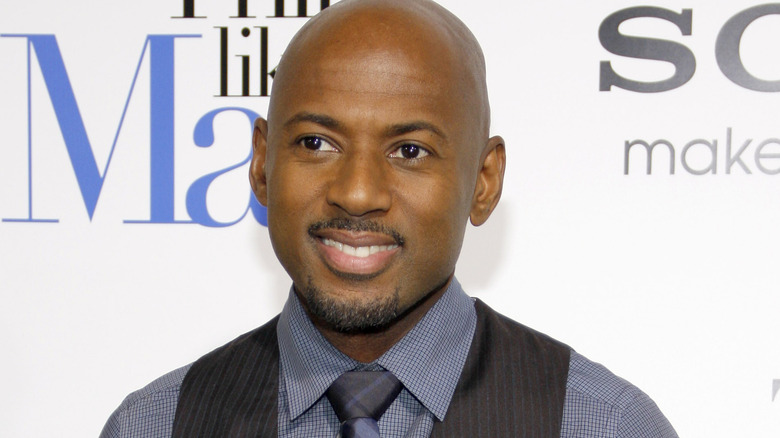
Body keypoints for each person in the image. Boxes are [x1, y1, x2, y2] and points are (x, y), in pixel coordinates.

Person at [101, 0, 678, 437]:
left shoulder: (600, 425)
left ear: (483, 182)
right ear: (262, 164)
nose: (356, 194)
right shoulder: (155, 425)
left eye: (410, 151)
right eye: (316, 142)